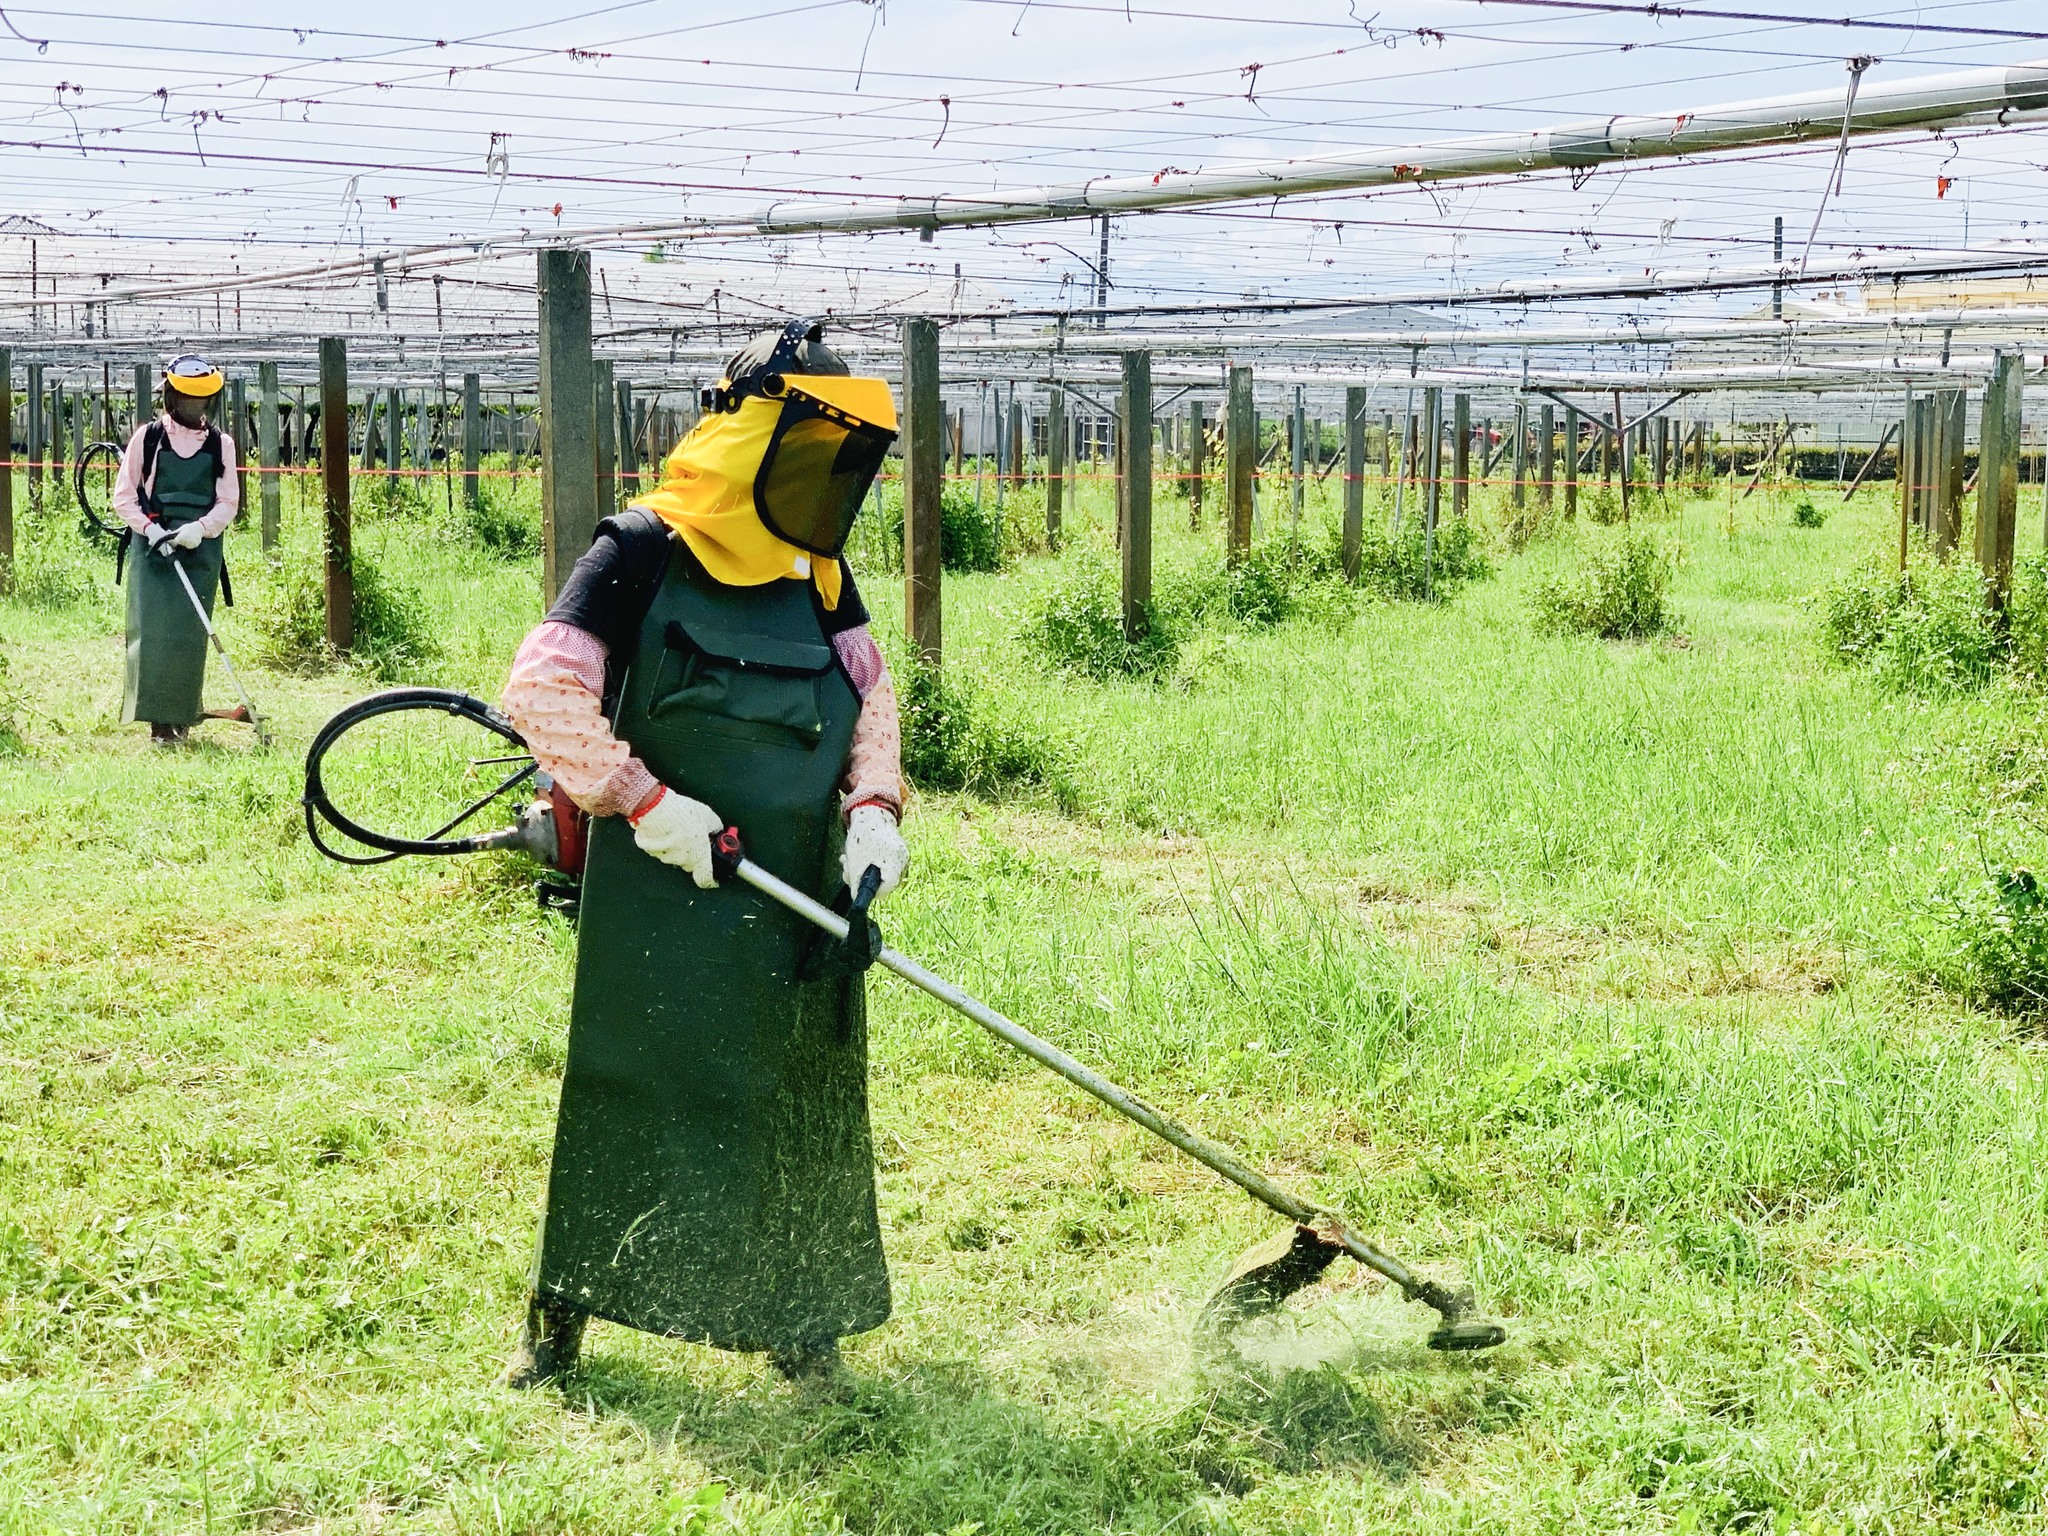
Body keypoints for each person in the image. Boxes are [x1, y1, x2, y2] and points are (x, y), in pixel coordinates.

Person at [497, 320, 910, 1387]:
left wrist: (874, 805)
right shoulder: (637, 549)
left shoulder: (819, 571)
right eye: (812, 454)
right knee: (634, 1086)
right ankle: (565, 1314)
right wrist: (641, 802)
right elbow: (542, 692)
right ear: (755, 438)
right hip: (668, 878)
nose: (828, 484)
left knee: (796, 1095)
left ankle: (798, 1319)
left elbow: (870, 693)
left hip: (799, 886)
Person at [111, 354, 241, 747]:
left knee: (189, 635)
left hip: (199, 552)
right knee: (152, 633)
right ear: (171, 396)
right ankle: (157, 722)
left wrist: (199, 530)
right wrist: (151, 530)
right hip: (154, 551)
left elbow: (228, 502)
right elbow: (124, 497)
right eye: (187, 399)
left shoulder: (222, 445)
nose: (194, 407)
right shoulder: (148, 438)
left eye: (201, 400)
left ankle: (181, 715)